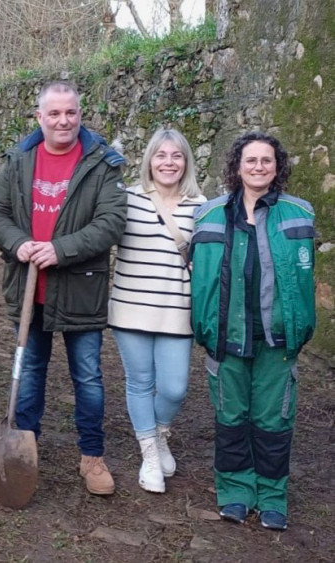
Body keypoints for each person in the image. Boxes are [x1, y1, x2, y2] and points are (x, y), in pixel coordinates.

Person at [0, 81, 127, 496]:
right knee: (29, 373)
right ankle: (24, 448)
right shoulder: (20, 159)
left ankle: (93, 457)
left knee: (88, 377)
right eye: (55, 113)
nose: (63, 120)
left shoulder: (101, 163)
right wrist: (17, 243)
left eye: (71, 113)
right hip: (29, 288)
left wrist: (60, 250)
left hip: (80, 288)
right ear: (39, 118)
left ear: (80, 114)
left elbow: (111, 222)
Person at [191, 131, 316, 531]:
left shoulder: (299, 213)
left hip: (276, 340)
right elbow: (201, 280)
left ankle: (273, 495)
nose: (259, 166)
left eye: (267, 160)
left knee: (274, 421)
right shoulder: (209, 215)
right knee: (231, 418)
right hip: (227, 338)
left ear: (277, 166)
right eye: (251, 160)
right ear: (237, 166)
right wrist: (205, 326)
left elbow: (303, 279)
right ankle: (235, 491)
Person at [108, 129, 206, 494]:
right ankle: (150, 454)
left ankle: (161, 434)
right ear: (149, 160)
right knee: (140, 381)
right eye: (161, 155)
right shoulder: (127, 199)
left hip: (177, 308)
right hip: (131, 307)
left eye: (176, 155)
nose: (168, 162)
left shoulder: (201, 204)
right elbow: (100, 232)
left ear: (186, 162)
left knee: (175, 387)